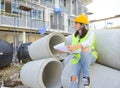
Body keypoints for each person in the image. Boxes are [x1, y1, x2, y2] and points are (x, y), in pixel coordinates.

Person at [65, 14, 98, 88]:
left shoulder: (90, 33)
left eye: (76, 23)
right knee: (73, 77)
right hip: (77, 57)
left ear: (82, 25)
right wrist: (69, 49)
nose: (74, 25)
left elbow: (88, 43)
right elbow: (74, 48)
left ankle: (86, 76)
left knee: (84, 47)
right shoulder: (74, 35)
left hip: (89, 56)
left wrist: (75, 46)